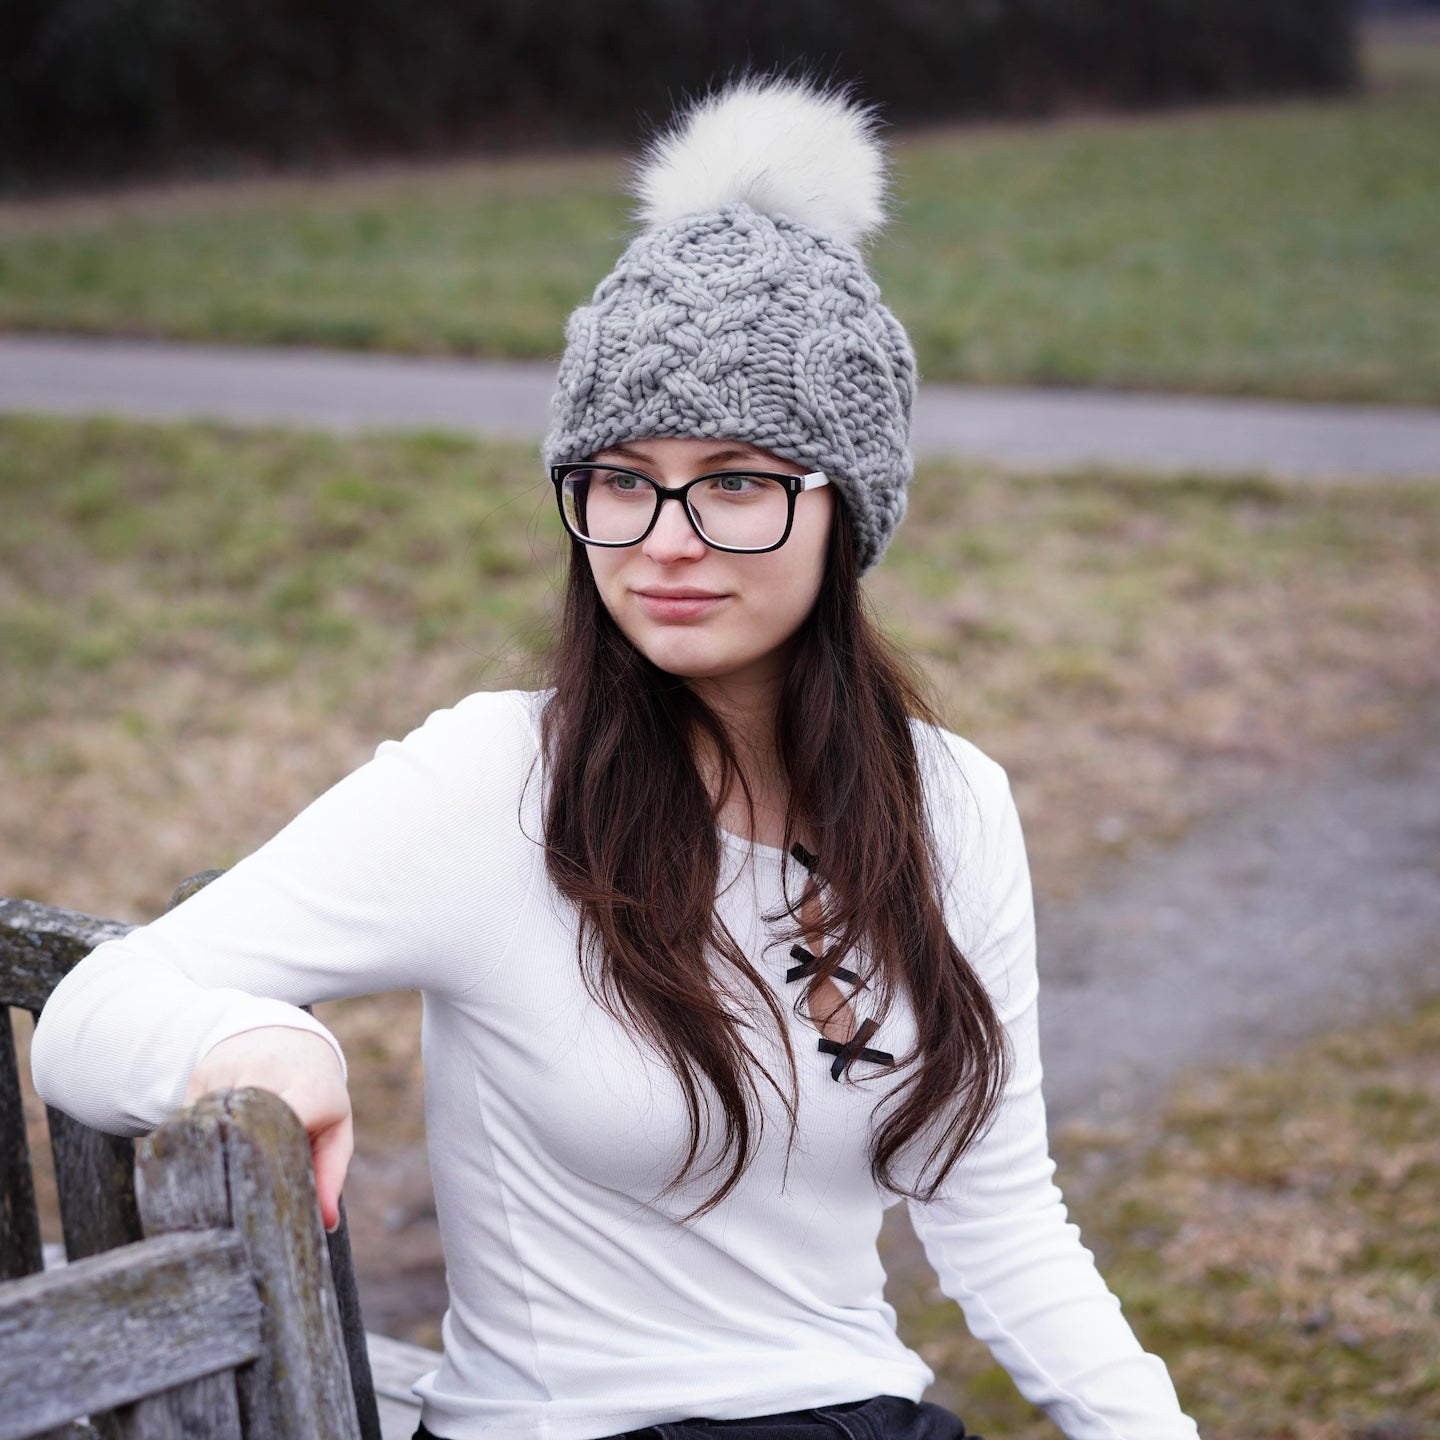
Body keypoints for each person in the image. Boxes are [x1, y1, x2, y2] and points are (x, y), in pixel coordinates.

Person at [32, 76, 1200, 1440]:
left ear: (849, 509)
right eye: (622, 478)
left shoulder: (950, 803)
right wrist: (256, 1042)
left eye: (739, 481)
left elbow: (996, 1214)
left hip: (861, 1412)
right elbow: (92, 1014)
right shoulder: (497, 784)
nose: (667, 539)